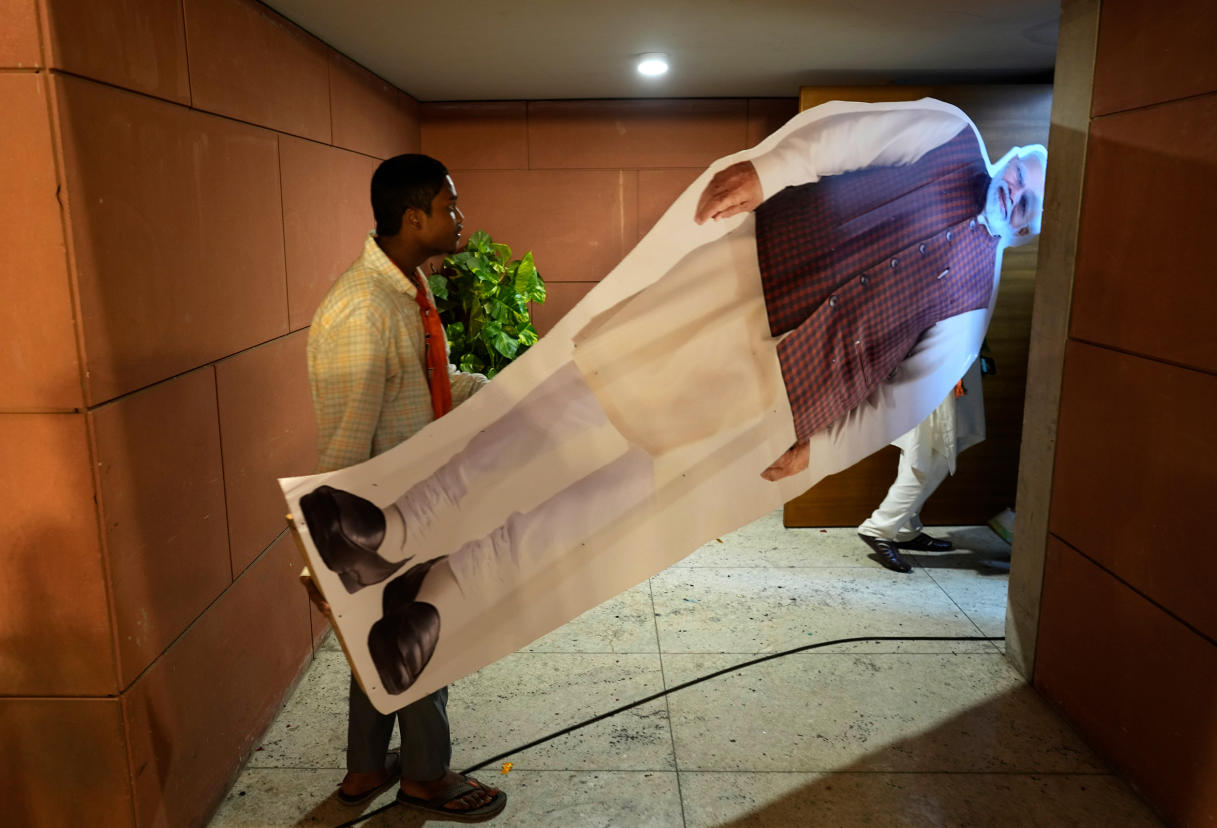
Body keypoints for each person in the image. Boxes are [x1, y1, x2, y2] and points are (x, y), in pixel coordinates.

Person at [295, 98, 1047, 707]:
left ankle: (442, 602)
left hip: (772, 395)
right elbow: (850, 134)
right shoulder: (952, 133)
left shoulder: (974, 303)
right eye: (1027, 172)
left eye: (1037, 200)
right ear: (1014, 156)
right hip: (731, 289)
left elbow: (900, 399)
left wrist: (820, 446)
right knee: (548, 417)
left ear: (1040, 225)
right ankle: (393, 529)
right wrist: (771, 167)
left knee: (603, 508)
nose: (1019, 190)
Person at [304, 153, 505, 821]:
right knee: (423, 639)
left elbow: (425, 393)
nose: (460, 219)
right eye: (451, 207)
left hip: (413, 504)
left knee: (380, 639)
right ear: (414, 216)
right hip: (386, 521)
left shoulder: (403, 291)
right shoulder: (362, 313)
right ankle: (425, 778)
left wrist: (506, 389)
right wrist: (326, 558)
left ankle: (366, 770)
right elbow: (342, 450)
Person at [857, 359, 986, 573]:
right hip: (937, 363)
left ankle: (904, 529)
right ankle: (879, 528)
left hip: (941, 363)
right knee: (929, 452)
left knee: (922, 450)